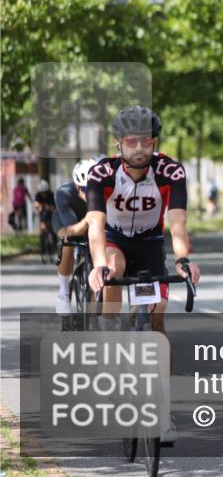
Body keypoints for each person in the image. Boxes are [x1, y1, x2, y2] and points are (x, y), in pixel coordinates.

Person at [86, 105, 201, 444]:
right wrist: (98, 265)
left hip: (151, 244)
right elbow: (95, 226)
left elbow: (177, 223)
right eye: (131, 141)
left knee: (156, 323)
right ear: (119, 144)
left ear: (155, 142)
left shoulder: (171, 171)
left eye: (146, 141)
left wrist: (183, 260)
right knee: (114, 268)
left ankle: (162, 412)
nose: (139, 148)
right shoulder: (101, 173)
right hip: (114, 242)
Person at [52, 158, 98, 314]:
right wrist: (90, 219)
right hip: (67, 224)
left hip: (90, 223)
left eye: (94, 189)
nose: (90, 195)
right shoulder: (64, 193)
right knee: (68, 242)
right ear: (78, 186)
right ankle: (63, 292)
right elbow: (73, 230)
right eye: (85, 190)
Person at [34, 180, 56, 255]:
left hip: (50, 215)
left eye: (45, 192)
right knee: (42, 230)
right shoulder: (38, 195)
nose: (43, 194)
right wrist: (39, 206)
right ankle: (42, 248)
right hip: (42, 215)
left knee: (52, 231)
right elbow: (36, 204)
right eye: (42, 192)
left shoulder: (51, 195)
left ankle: (53, 244)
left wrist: (49, 207)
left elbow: (53, 207)